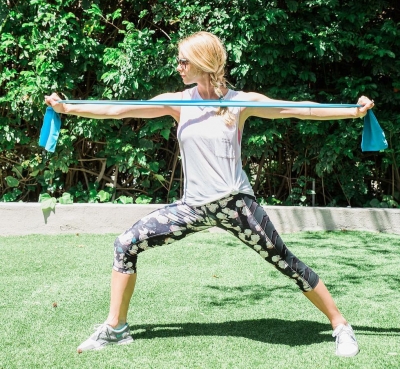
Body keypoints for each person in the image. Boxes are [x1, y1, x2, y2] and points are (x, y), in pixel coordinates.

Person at [45, 31, 374, 357]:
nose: (179, 67)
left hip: (235, 205)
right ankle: (116, 328)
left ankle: (340, 325)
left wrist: (354, 112)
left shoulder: (239, 103)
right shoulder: (179, 102)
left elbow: (302, 110)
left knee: (286, 262)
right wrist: (67, 108)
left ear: (203, 63)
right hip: (193, 208)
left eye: (184, 60)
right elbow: (119, 110)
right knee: (125, 244)